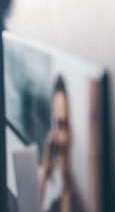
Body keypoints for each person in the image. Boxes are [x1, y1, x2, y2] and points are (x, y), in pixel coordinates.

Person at [39, 76, 85, 212]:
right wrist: (45, 169)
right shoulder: (57, 203)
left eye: (64, 125)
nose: (57, 137)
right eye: (57, 125)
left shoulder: (79, 203)